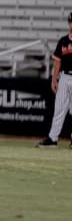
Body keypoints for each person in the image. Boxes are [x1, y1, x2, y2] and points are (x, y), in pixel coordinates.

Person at [36, 12, 72, 148]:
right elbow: (57, 62)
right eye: (71, 21)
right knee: (59, 109)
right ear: (68, 23)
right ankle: (52, 139)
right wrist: (54, 80)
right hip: (64, 77)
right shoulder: (63, 41)